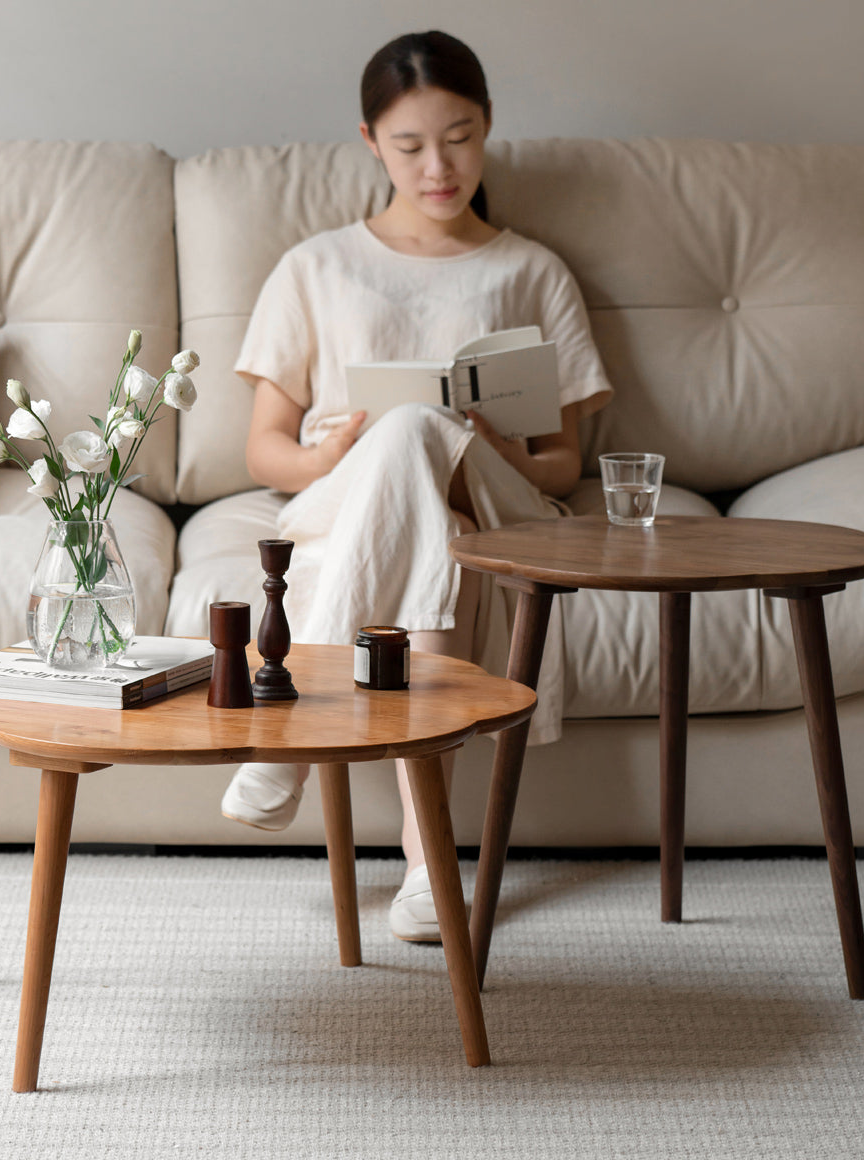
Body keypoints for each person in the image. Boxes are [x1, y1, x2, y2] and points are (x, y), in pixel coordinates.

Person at [221, 30, 612, 941]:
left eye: (461, 137)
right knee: (405, 466)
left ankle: (281, 733)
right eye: (410, 146)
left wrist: (481, 443)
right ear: (369, 141)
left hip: (495, 500)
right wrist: (332, 454)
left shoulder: (532, 270)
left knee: (419, 433)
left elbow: (563, 468)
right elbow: (265, 453)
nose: (439, 167)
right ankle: (428, 868)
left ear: (488, 130)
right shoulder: (315, 267)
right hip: (351, 496)